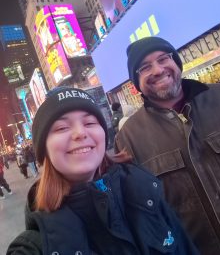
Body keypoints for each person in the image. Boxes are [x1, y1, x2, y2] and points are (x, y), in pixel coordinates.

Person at [7, 87, 199, 255]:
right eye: (62, 127)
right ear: (44, 150)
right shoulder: (35, 245)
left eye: (90, 123)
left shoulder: (147, 192)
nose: (80, 133)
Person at [114, 36, 220, 254]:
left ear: (175, 62)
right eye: (145, 67)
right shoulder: (128, 139)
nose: (157, 70)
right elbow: (142, 219)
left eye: (163, 59)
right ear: (136, 84)